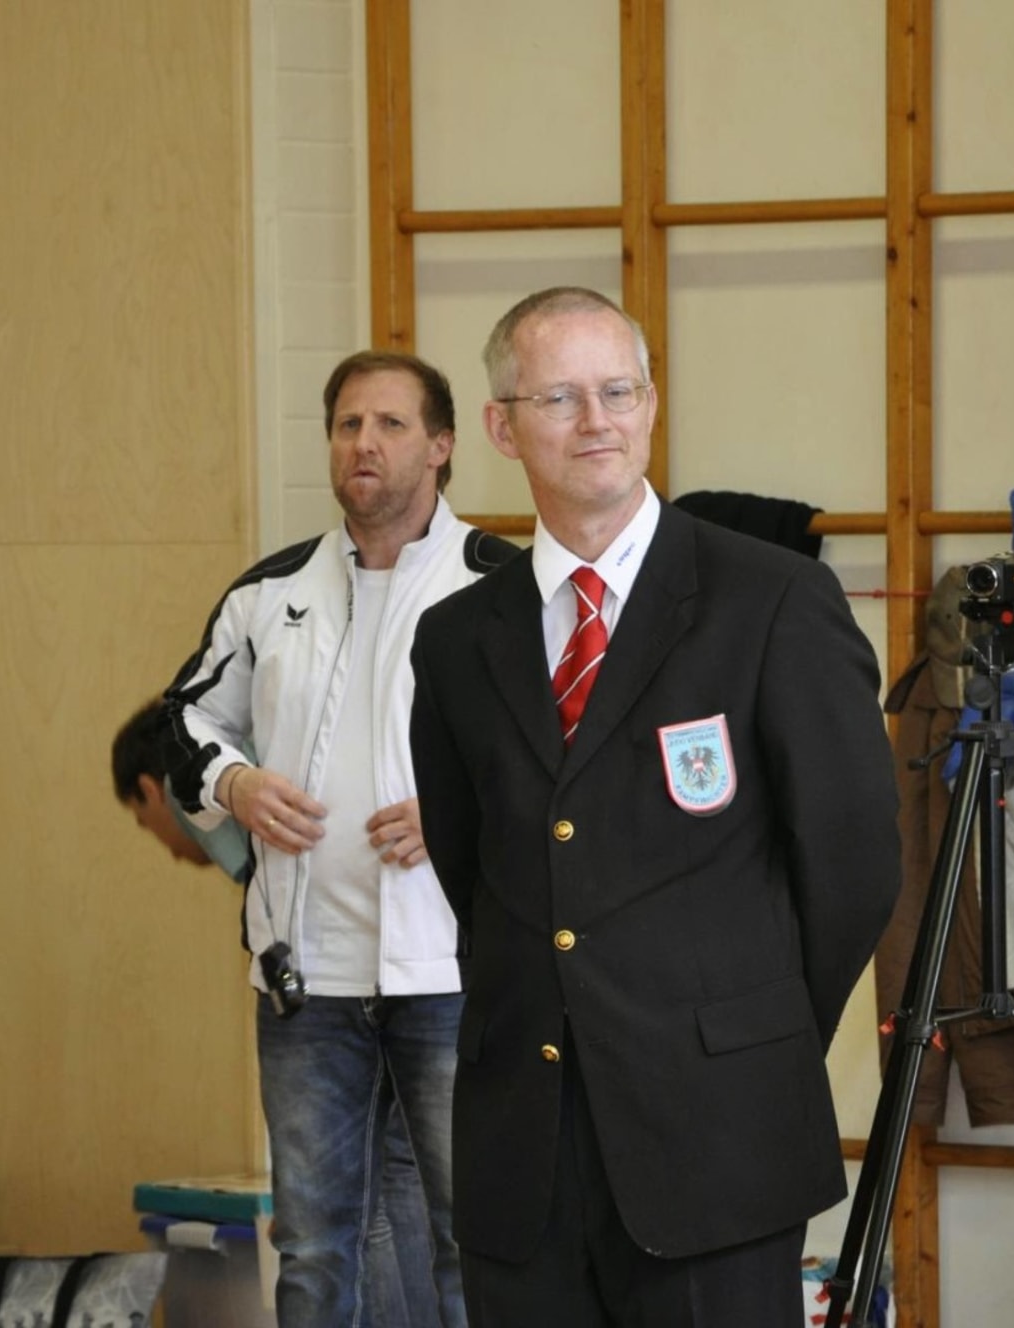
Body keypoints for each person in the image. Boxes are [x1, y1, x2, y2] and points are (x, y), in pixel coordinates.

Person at [407, 287, 902, 1326]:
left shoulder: (770, 600)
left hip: (718, 1140)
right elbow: (474, 866)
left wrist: (747, 1030)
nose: (596, 420)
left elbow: (852, 866)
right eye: (560, 397)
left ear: (651, 403)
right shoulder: (455, 640)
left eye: (618, 391)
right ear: (501, 426)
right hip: (525, 1152)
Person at [163, 351, 515, 1327]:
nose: (365, 443)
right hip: (305, 984)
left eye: (391, 424)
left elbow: (567, 752)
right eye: (348, 424)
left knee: (473, 1240)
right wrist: (234, 783)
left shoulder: (502, 587)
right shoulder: (269, 590)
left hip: (454, 977)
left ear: (442, 446)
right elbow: (180, 719)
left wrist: (460, 810)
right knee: (314, 1247)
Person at [110, 698, 440, 1326]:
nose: (166, 847)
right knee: (400, 1190)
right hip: (404, 977)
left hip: (361, 990)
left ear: (151, 789)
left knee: (363, 1202)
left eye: (141, 818)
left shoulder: (214, 787)